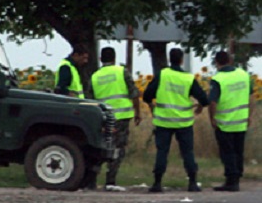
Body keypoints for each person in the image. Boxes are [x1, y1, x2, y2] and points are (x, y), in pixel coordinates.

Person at [143, 48, 208, 193]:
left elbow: (147, 95)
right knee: (187, 152)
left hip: (163, 121)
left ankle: (157, 183)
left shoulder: (162, 75)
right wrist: (200, 106)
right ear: (181, 60)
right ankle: (192, 183)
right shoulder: (188, 78)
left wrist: (151, 104)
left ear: (169, 59)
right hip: (183, 122)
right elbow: (204, 98)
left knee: (162, 152)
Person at [88, 47, 142, 191]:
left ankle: (91, 179)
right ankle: (110, 180)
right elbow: (134, 93)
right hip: (121, 117)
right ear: (114, 58)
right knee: (118, 148)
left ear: (101, 59)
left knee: (100, 147)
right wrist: (138, 112)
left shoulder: (95, 76)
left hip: (102, 118)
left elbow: (90, 99)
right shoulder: (121, 71)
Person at [208, 51, 256, 192]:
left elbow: (212, 102)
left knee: (227, 152)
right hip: (241, 121)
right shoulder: (243, 75)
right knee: (238, 150)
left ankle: (231, 180)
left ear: (217, 63)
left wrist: (212, 118)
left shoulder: (218, 79)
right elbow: (252, 97)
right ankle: (237, 176)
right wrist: (250, 115)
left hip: (225, 123)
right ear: (230, 60)